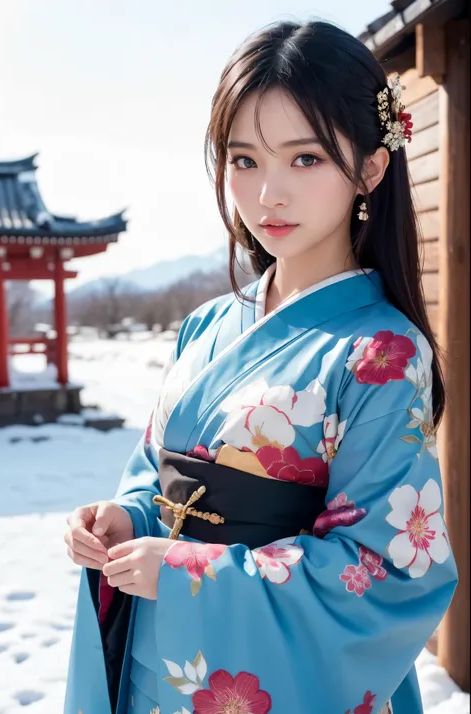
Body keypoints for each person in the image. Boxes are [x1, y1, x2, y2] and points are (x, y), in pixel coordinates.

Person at [64, 20, 458, 714]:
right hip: (158, 668)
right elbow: (154, 474)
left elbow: (388, 569)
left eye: (304, 158)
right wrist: (125, 520)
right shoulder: (208, 326)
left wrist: (192, 574)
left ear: (370, 166)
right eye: (244, 159)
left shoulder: (382, 355)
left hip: (268, 685)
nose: (267, 193)